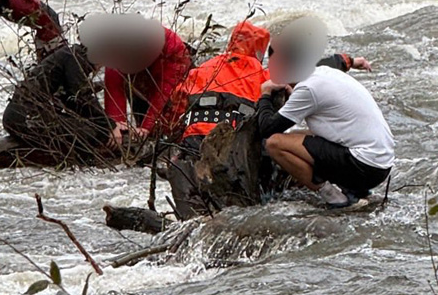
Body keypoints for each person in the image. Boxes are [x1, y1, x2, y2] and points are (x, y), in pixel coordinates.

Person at [167, 19, 370, 218]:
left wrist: (175, 133)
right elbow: (307, 72)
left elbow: (176, 105)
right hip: (235, 149)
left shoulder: (202, 70)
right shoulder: (263, 75)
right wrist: (347, 61)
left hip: (192, 142)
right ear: (260, 51)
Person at [258, 56, 394, 209]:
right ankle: (355, 190)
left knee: (275, 144)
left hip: (364, 167)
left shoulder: (307, 89)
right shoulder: (323, 72)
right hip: (381, 165)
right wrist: (353, 61)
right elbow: (336, 61)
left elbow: (267, 129)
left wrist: (265, 94)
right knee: (299, 135)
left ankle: (335, 198)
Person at [2, 42, 111, 160]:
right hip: (25, 118)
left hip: (21, 117)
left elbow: (70, 100)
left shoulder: (72, 55)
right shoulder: (75, 57)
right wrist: (109, 125)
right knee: (92, 134)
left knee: (85, 129)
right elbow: (81, 97)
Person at [101, 19, 192, 147]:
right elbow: (114, 86)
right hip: (140, 78)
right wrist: (116, 123)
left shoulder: (174, 49)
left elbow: (164, 91)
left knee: (170, 117)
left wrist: (147, 127)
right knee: (136, 125)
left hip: (168, 68)